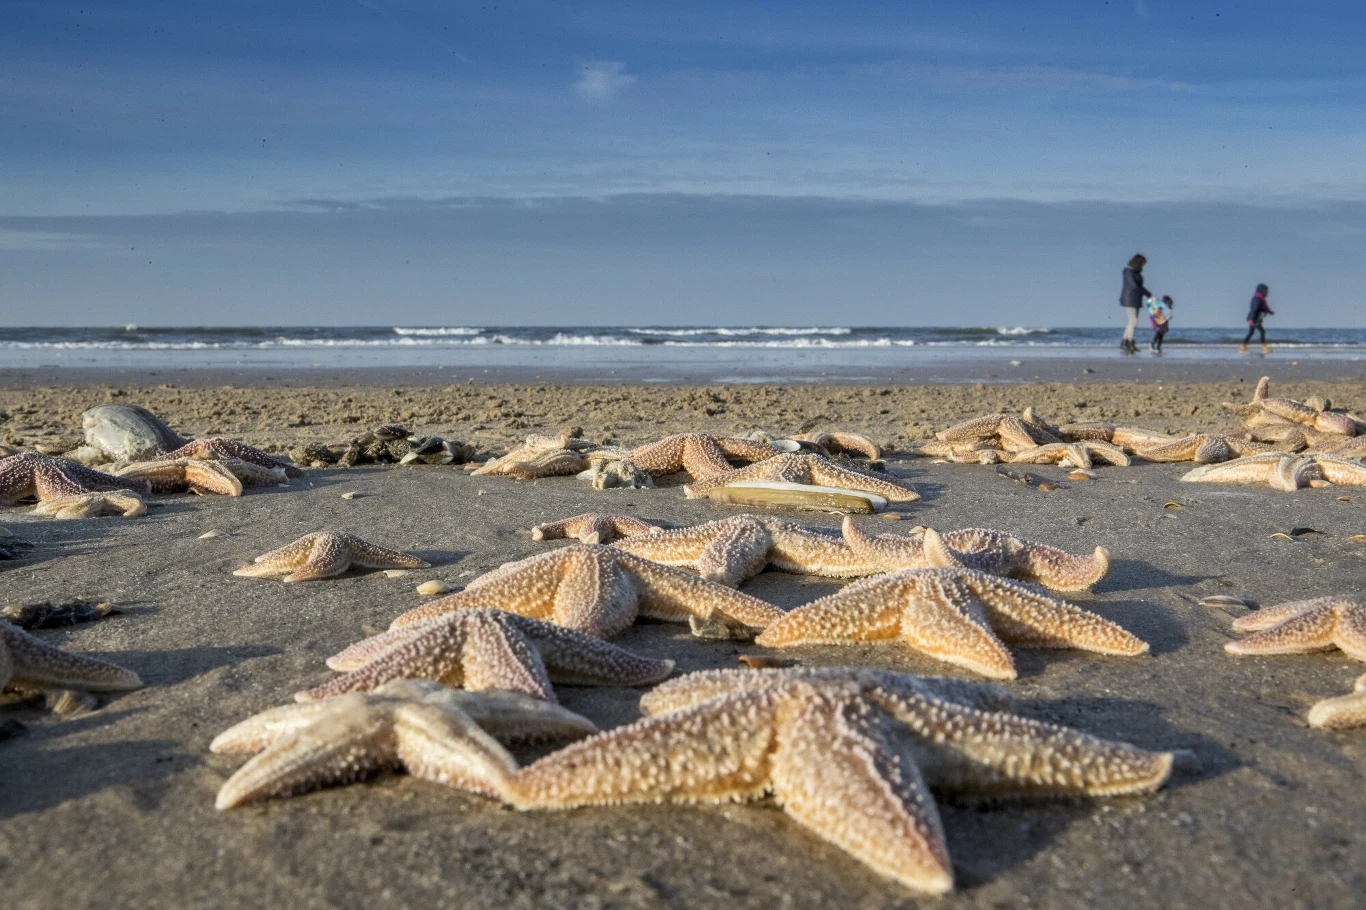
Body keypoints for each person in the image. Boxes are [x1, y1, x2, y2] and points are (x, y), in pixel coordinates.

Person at [1119, 254, 1149, 354]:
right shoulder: (1129, 272)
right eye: (1142, 264)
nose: (1143, 266)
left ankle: (1125, 342)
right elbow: (1134, 286)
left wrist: (1147, 293)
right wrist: (1145, 293)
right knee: (1134, 321)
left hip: (1135, 299)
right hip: (1129, 299)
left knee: (1132, 322)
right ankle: (1130, 342)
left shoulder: (1135, 272)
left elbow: (1139, 286)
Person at [1240, 283, 1273, 354]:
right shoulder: (1257, 299)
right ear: (1262, 291)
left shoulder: (1260, 299)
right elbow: (1254, 309)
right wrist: (1251, 319)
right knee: (1262, 331)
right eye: (1266, 291)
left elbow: (1263, 308)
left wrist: (1270, 312)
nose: (1267, 293)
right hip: (1254, 319)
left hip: (1255, 318)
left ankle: (1243, 346)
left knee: (1251, 333)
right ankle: (1264, 348)